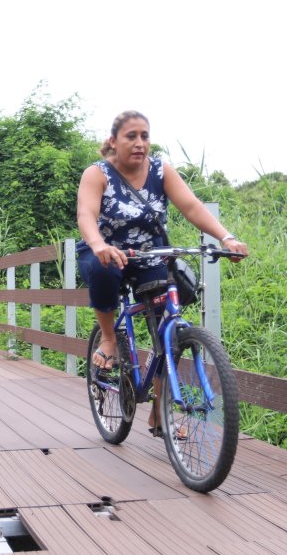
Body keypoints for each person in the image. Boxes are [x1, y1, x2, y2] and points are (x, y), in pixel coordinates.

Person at [75, 110, 248, 436]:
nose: (139, 143)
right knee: (104, 268)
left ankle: (159, 414)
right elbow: (86, 213)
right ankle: (110, 339)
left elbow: (192, 207)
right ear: (114, 141)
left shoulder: (160, 170)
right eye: (131, 136)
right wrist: (99, 244)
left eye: (145, 136)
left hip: (149, 254)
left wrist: (225, 237)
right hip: (105, 251)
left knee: (165, 326)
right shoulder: (97, 173)